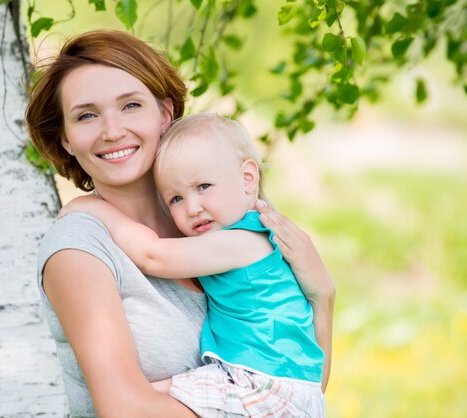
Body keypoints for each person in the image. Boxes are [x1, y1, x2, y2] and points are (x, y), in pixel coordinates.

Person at [25, 30, 335, 417]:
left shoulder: (208, 219)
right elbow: (126, 411)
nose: (112, 130)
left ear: (165, 114)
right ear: (66, 139)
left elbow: (292, 390)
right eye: (86, 115)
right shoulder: (80, 246)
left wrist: (323, 297)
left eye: (131, 105)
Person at [60, 113, 326, 417]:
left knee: (145, 395)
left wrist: (92, 207)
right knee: (146, 392)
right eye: (175, 198)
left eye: (203, 186)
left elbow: (153, 255)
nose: (192, 207)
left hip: (263, 383)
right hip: (285, 381)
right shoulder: (248, 234)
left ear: (247, 178)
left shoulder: (243, 242)